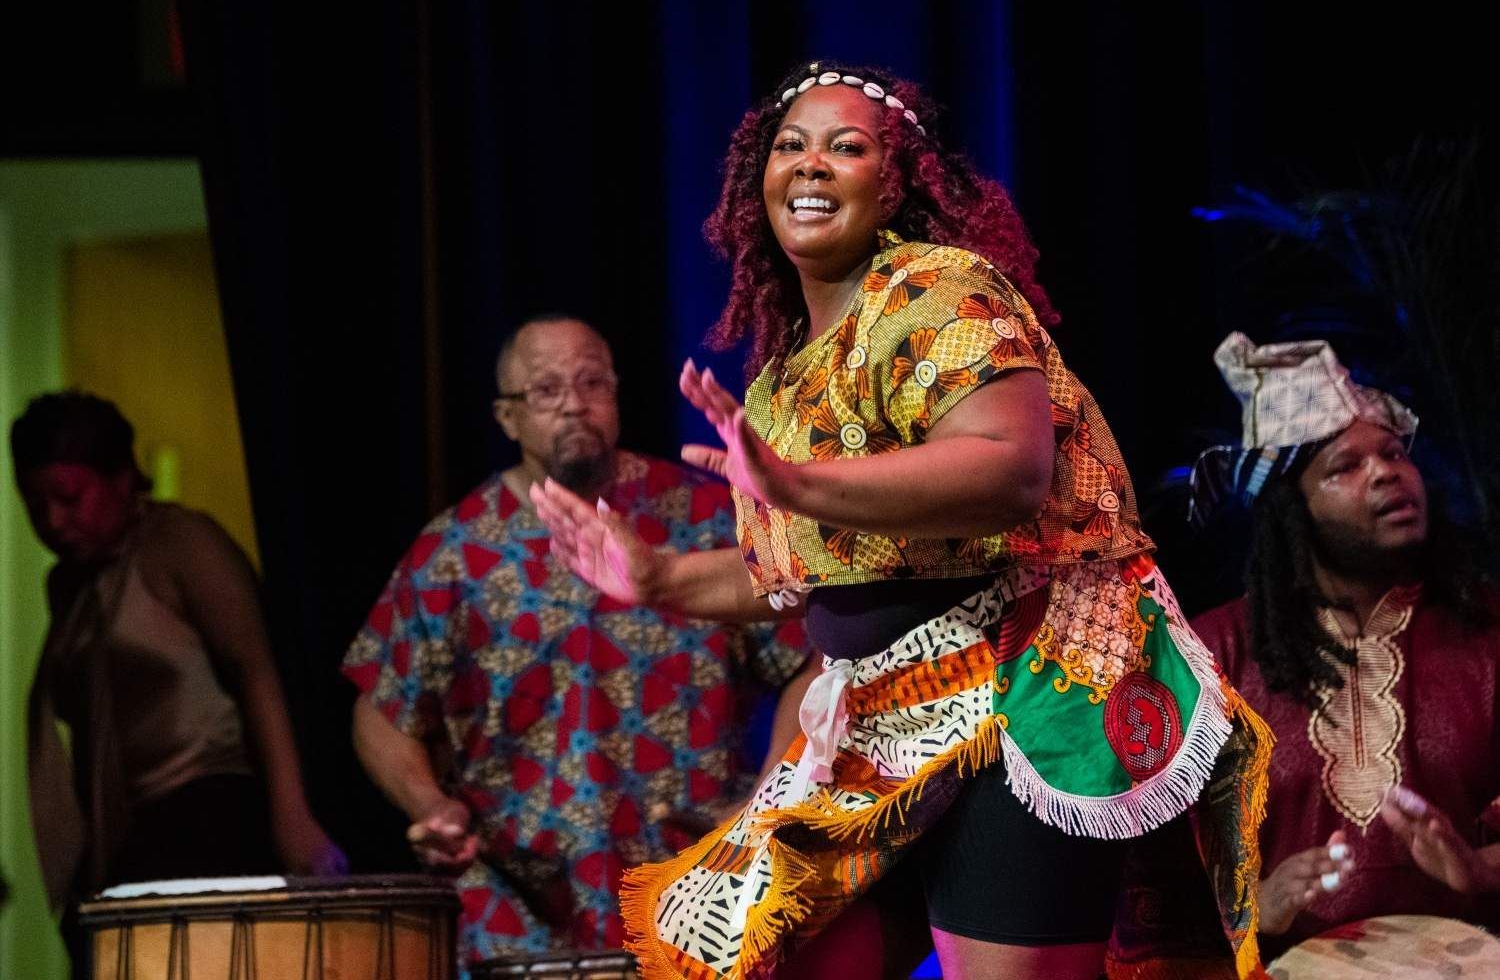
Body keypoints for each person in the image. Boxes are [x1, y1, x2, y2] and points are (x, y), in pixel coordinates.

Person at [532, 61, 1271, 980]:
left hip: (1021, 688)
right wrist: (659, 579)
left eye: (846, 146)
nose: (810, 165)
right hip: (885, 721)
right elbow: (807, 572)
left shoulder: (939, 289)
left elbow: (1010, 469)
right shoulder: (783, 379)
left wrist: (799, 483)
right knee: (763, 955)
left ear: (895, 184)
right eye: (789, 146)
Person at [342, 314, 811, 967]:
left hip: (696, 884)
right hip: (518, 909)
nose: (574, 402)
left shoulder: (704, 516)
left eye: (593, 382)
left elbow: (808, 660)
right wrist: (429, 804)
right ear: (506, 418)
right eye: (545, 389)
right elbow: (381, 705)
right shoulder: (454, 552)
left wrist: (767, 797)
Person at [1187, 332, 1500, 961]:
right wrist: (1254, 904)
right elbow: (1153, 870)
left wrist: (1481, 871)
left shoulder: (1486, 628)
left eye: (1392, 453)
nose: (1386, 471)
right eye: (1345, 466)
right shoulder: (1214, 650)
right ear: (1291, 513)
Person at [12, 392, 345, 963]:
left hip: (207, 809)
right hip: (125, 831)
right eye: (35, 503)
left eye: (69, 498)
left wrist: (293, 816)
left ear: (120, 477)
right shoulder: (67, 586)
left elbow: (258, 673)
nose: (53, 521)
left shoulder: (182, 543)